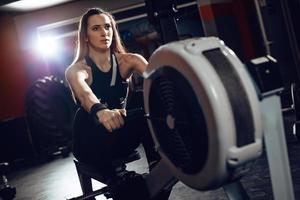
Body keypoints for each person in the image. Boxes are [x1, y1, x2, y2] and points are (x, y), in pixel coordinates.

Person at [65, 7, 169, 198]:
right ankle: (117, 178)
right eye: (96, 28)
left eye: (107, 27)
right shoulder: (77, 70)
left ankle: (157, 161)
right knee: (86, 115)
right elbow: (85, 93)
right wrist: (100, 110)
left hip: (121, 136)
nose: (104, 32)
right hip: (90, 145)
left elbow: (160, 82)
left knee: (141, 97)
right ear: (85, 37)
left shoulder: (129, 61)